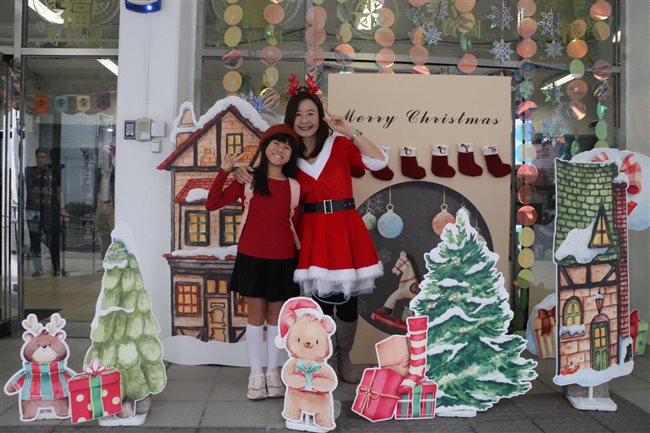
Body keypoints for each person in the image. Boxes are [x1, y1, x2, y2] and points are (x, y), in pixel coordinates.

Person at [234, 86, 389, 383]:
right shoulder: (289, 159)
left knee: (348, 301)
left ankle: (344, 356)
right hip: (313, 230)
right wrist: (240, 171)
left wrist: (349, 130)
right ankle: (322, 357)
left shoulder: (339, 145)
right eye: (299, 114)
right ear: (290, 119)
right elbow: (264, 175)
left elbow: (378, 161)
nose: (305, 120)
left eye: (311, 113)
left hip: (345, 227)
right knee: (318, 301)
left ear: (320, 117)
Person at [206, 124, 302, 401]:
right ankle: (256, 374)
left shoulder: (295, 187)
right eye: (276, 143)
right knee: (255, 317)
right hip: (253, 257)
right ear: (264, 146)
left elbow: (297, 226)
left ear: (292, 154)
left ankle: (273, 372)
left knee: (276, 319)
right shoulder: (247, 181)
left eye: (287, 146)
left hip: (284, 259)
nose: (280, 150)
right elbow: (212, 203)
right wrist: (225, 171)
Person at [25, 148, 67, 277]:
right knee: (35, 241)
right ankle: (38, 268)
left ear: (48, 158)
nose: (40, 159)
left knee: (53, 241)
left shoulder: (54, 172)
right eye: (38, 157)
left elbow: (58, 191)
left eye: (43, 157)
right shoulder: (29, 171)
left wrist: (62, 210)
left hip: (50, 211)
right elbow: (24, 189)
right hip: (33, 210)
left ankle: (56, 267)